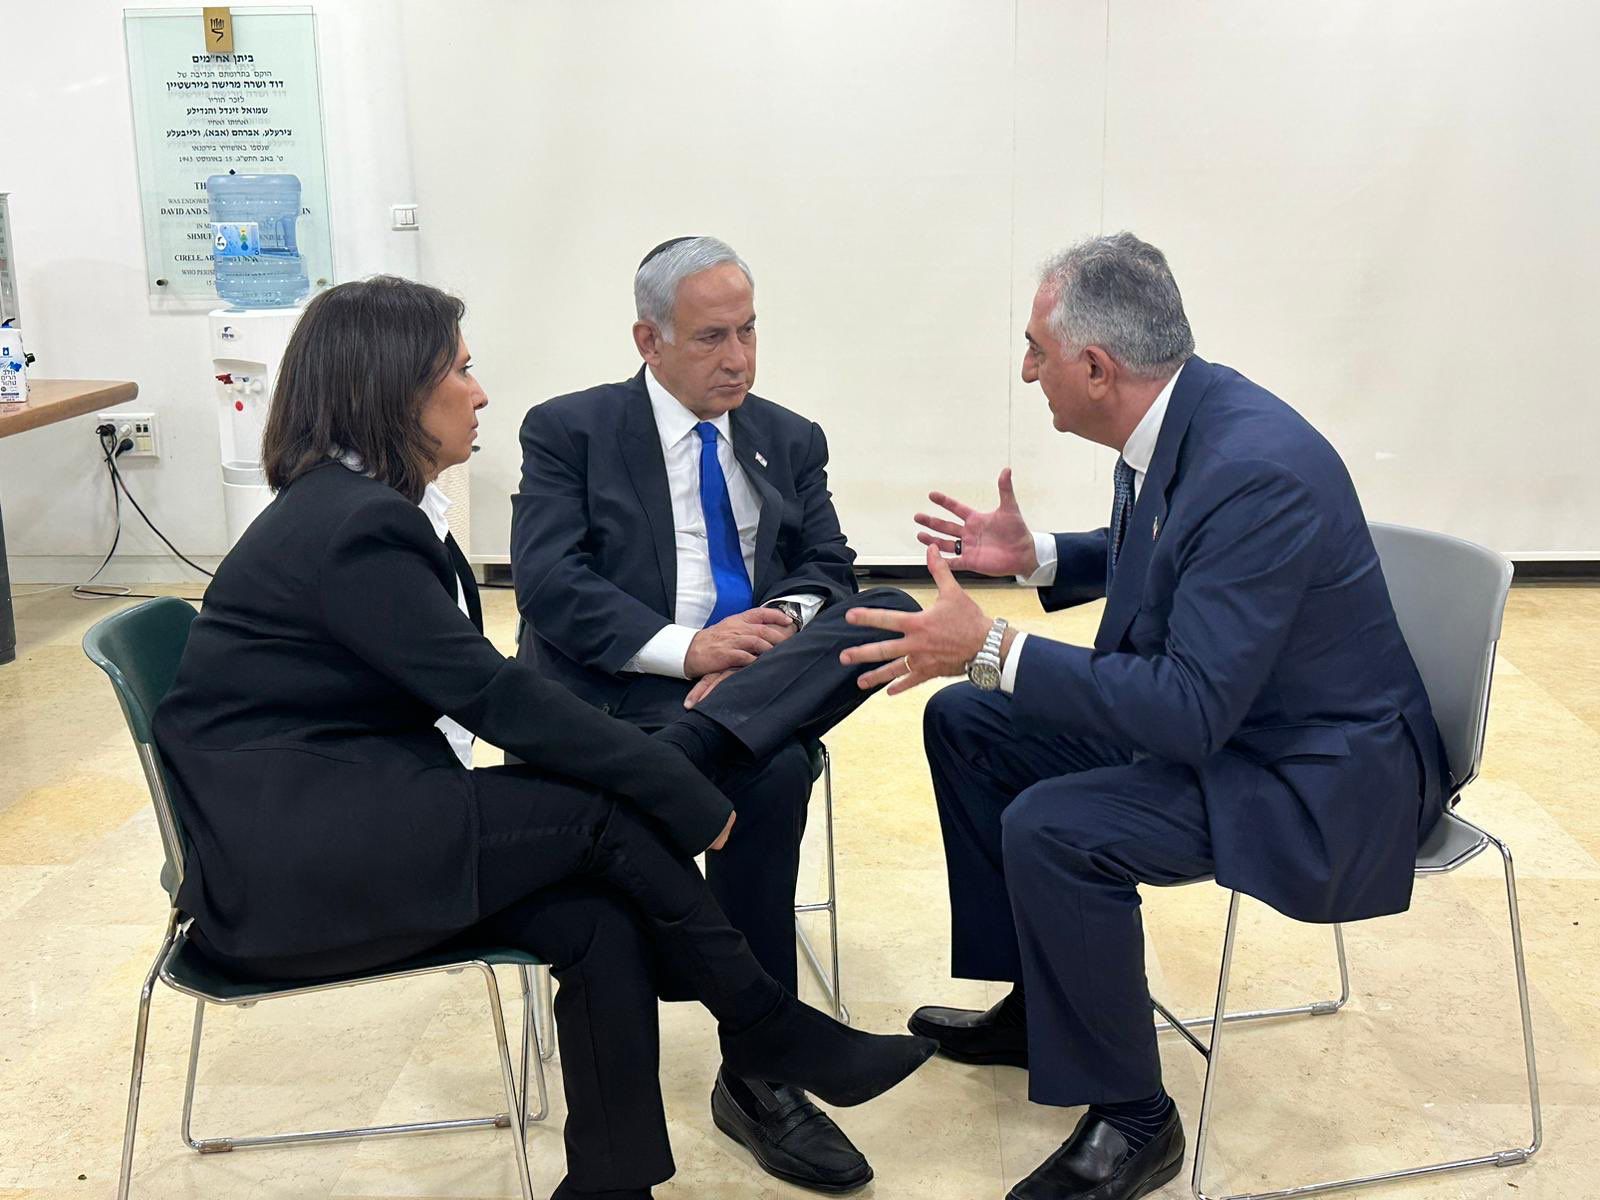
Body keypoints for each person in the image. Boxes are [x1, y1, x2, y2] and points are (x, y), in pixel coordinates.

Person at [152, 276, 933, 1200]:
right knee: (604, 821)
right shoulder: (352, 526)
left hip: (343, 824)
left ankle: (614, 1182)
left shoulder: (361, 509)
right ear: (392, 389)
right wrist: (667, 782)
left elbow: (827, 572)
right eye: (460, 372)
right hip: (293, 871)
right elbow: (492, 691)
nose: (479, 393)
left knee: (599, 921)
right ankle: (769, 1026)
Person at [840, 233, 1449, 1200]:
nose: (1027, 369)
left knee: (1056, 827)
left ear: (1097, 367)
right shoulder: (1189, 415)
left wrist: (995, 647)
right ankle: (1046, 1007)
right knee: (969, 725)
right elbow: (1178, 548)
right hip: (1247, 724)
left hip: (1318, 776)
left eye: (1037, 348)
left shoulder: (1253, 467)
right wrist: (1041, 556)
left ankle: (1135, 1120)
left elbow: (1189, 711)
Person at [510, 236, 918, 1192]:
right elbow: (549, 584)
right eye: (710, 338)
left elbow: (829, 569)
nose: (737, 359)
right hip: (623, 684)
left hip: (750, 684)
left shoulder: (789, 436)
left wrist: (777, 627)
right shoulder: (570, 430)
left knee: (889, 609)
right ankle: (761, 1069)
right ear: (648, 340)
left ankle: (699, 751)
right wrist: (687, 648)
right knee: (769, 771)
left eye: (748, 332)